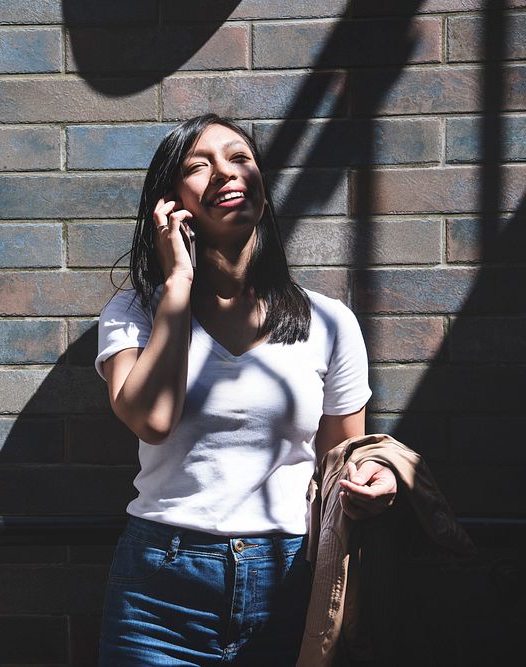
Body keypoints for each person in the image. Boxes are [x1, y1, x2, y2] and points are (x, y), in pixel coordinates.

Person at [95, 114, 398, 666]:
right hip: (160, 587)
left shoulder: (329, 322)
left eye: (240, 158)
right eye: (198, 165)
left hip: (288, 582)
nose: (225, 173)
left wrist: (372, 483)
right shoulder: (136, 312)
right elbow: (152, 419)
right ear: (169, 203)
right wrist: (177, 284)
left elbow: (338, 466)